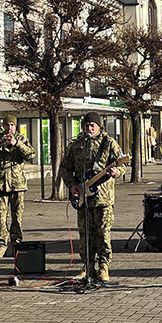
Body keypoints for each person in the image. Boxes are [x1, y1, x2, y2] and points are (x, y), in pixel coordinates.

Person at [61, 111, 124, 282]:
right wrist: (72, 185)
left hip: (103, 198)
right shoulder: (76, 145)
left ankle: (104, 266)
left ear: (99, 126)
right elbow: (65, 168)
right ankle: (88, 266)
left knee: (103, 233)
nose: (89, 128)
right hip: (83, 198)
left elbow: (122, 165)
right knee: (85, 235)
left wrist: (117, 171)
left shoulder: (109, 143)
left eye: (92, 125)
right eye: (87, 125)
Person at [0, 115, 36, 258]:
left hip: (17, 184)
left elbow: (31, 155)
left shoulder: (21, 139)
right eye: (7, 125)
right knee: (1, 217)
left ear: (16, 126)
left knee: (17, 217)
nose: (9, 128)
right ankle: (1, 245)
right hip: (0, 184)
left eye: (12, 125)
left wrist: (17, 144)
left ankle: (17, 244)